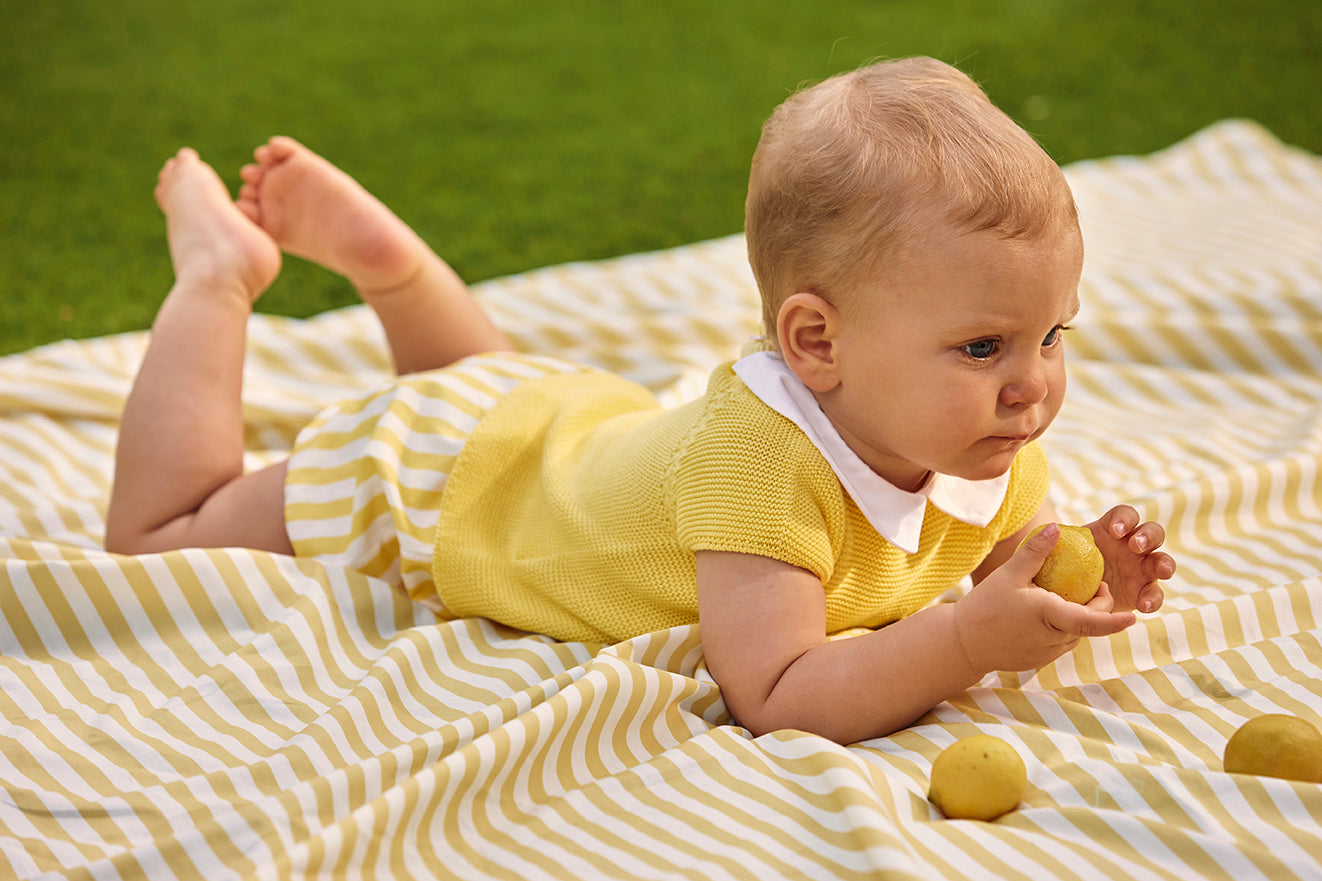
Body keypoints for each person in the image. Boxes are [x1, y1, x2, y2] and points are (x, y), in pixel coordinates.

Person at [105, 56, 1176, 745]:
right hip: (432, 486)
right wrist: (963, 643)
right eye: (982, 344)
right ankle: (217, 277)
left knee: (508, 411)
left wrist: (1075, 576)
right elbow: (779, 690)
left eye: (1051, 332)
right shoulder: (758, 469)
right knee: (157, 535)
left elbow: (983, 564)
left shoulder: (990, 433)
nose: (1033, 381)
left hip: (563, 431)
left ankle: (392, 270)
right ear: (815, 343)